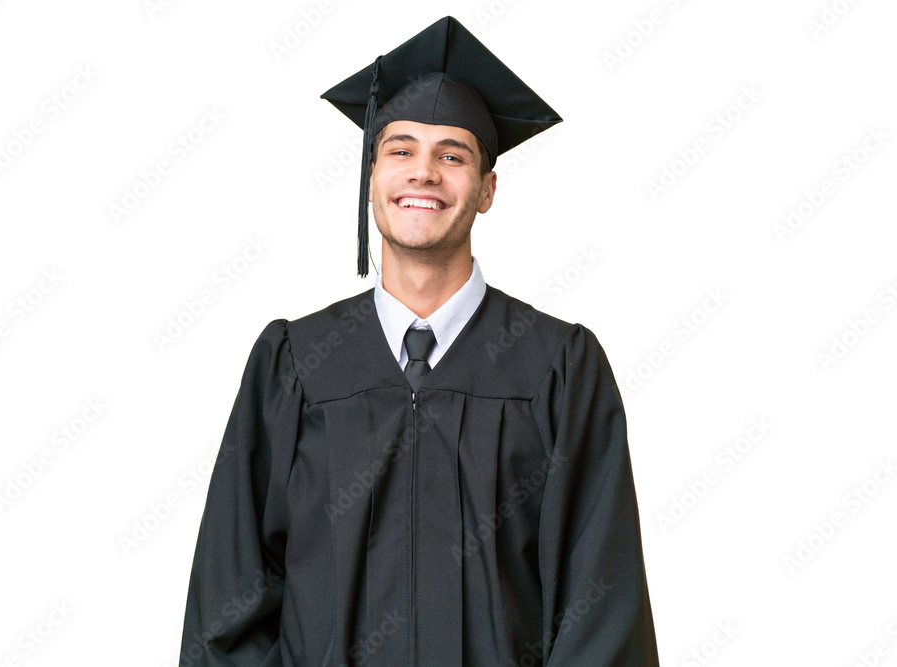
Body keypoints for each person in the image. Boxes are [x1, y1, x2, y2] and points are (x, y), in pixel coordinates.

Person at [178, 15, 659, 666]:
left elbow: (601, 603)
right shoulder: (296, 365)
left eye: (452, 155)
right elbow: (229, 599)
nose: (424, 172)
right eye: (401, 150)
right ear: (371, 177)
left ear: (487, 189)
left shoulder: (557, 368)